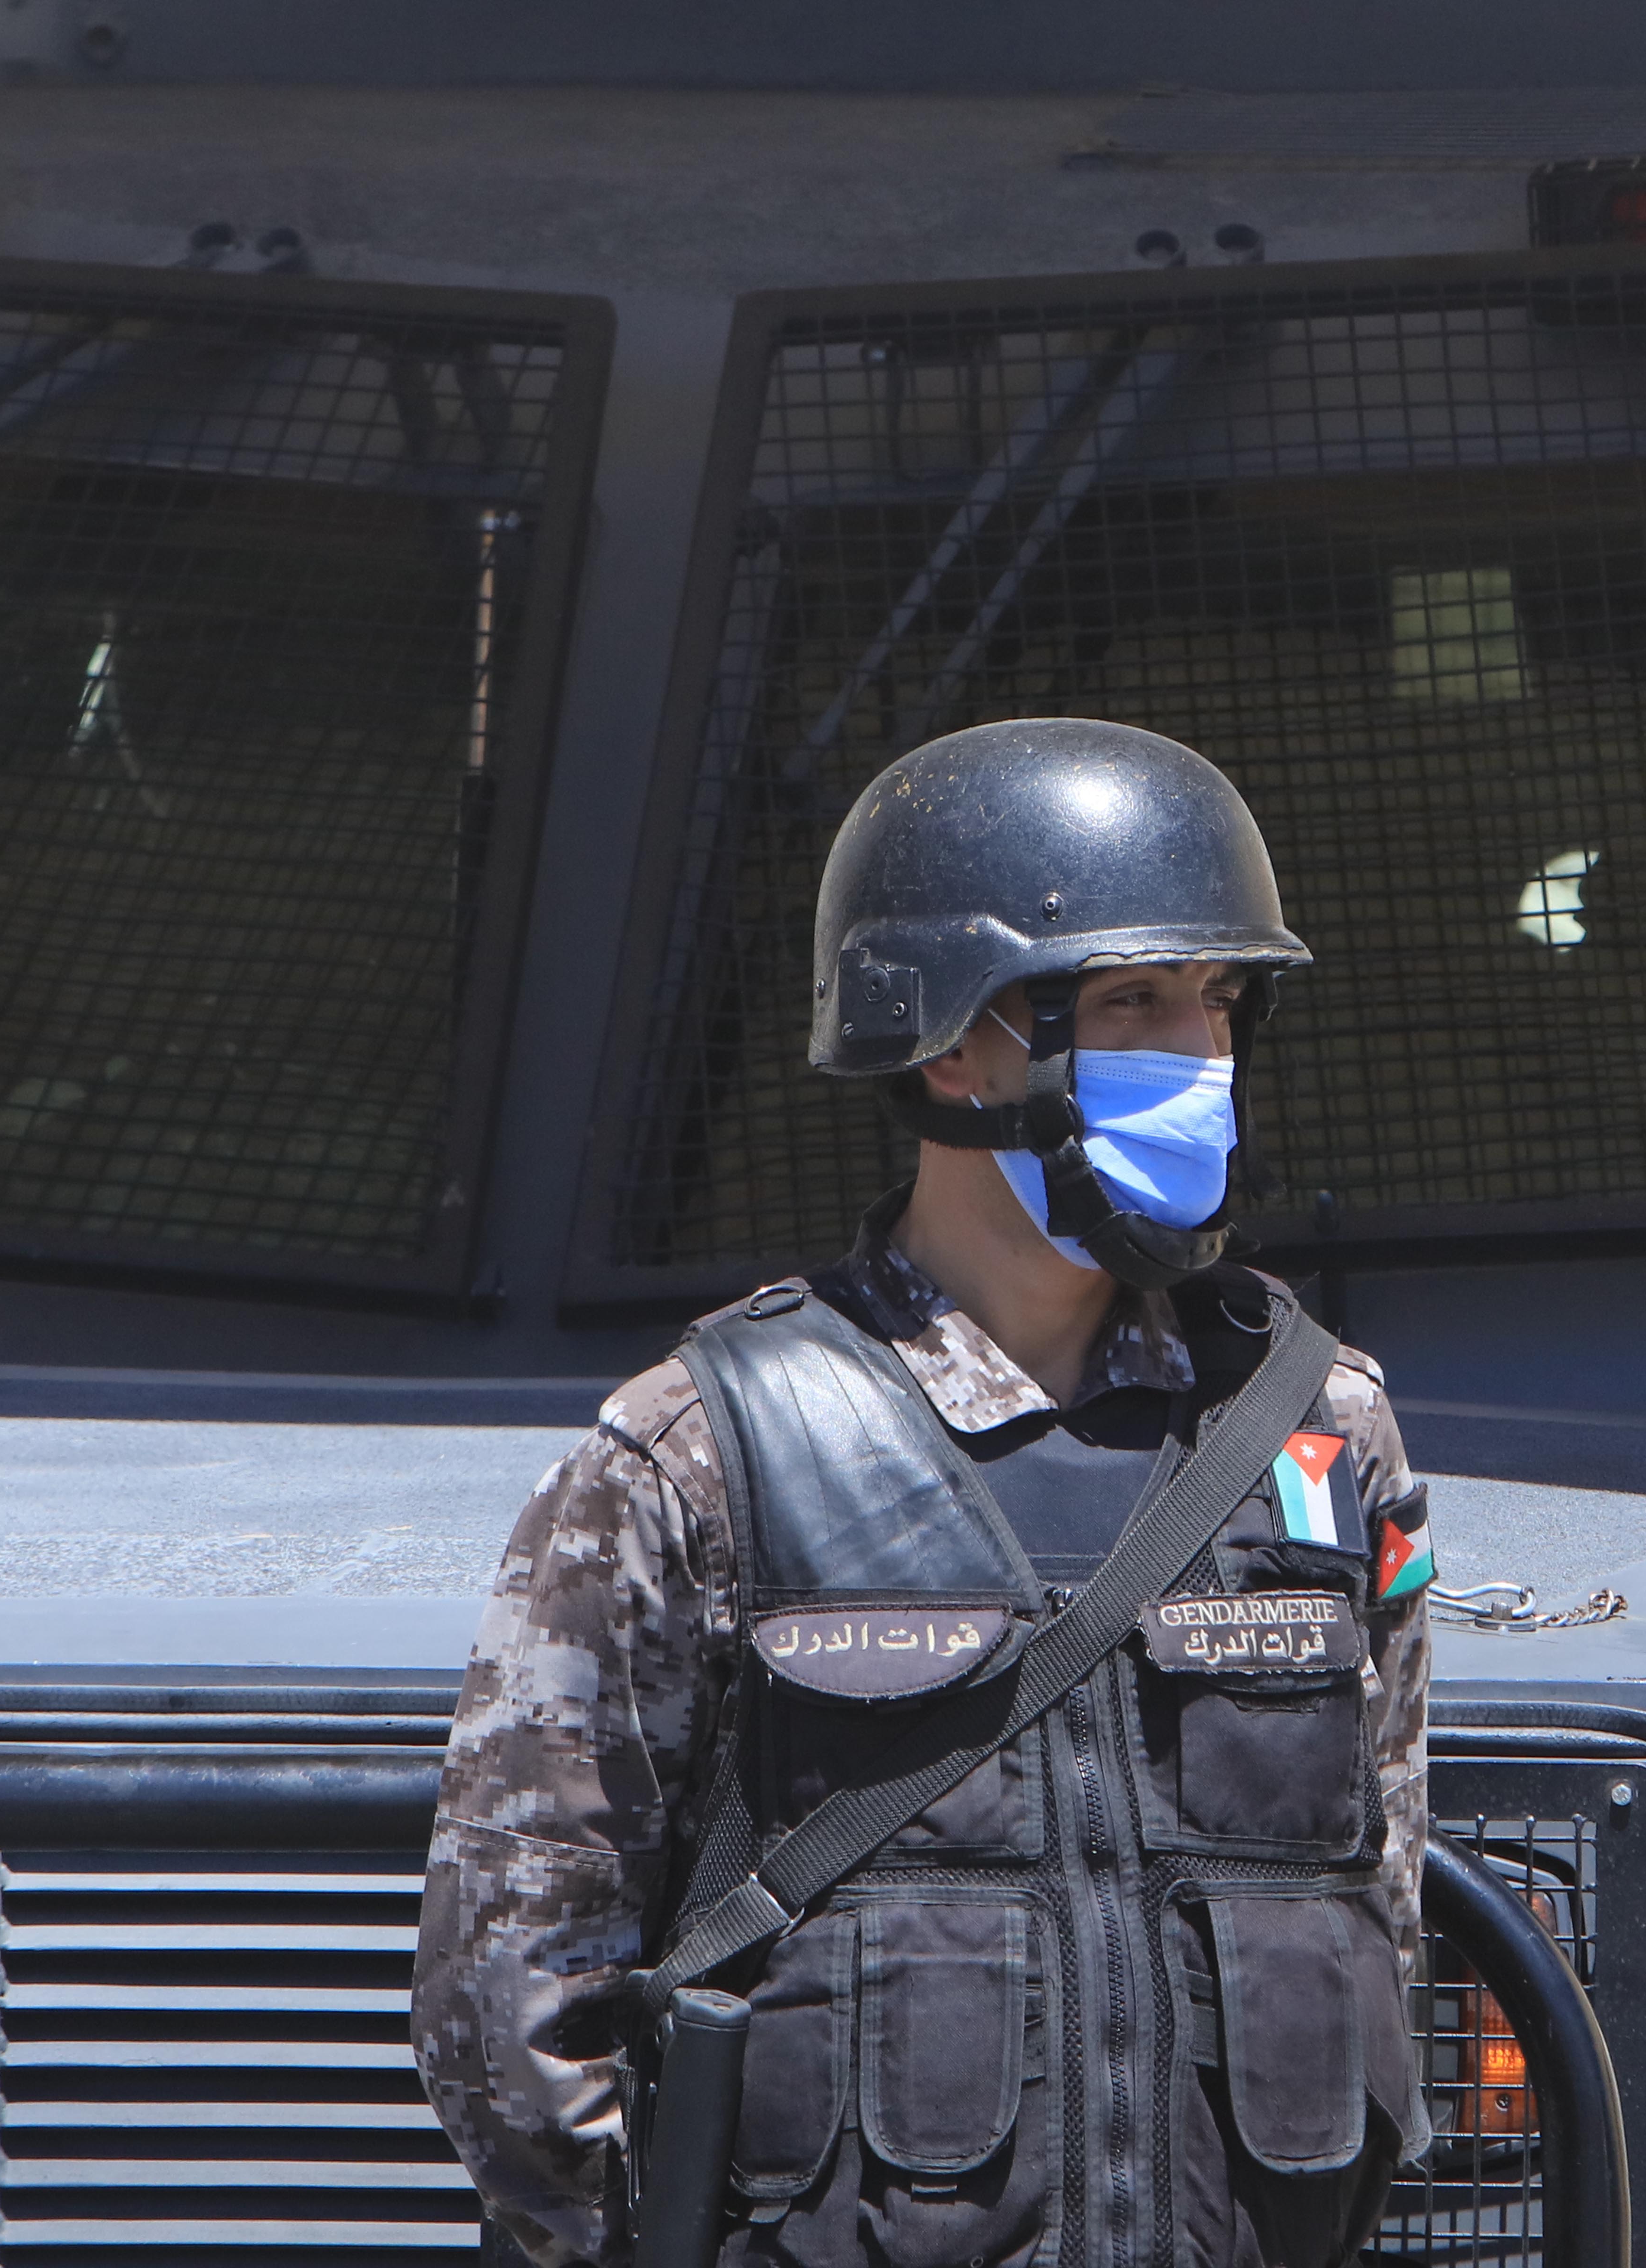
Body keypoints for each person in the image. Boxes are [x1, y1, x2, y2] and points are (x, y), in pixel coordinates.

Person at [418, 717, 1435, 2268]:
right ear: (954, 1047)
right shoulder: (699, 1452)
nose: (1205, 1058)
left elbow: (1382, 1910)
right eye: (1136, 1002)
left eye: (1221, 1002)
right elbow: (515, 2008)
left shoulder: (1319, 1428)